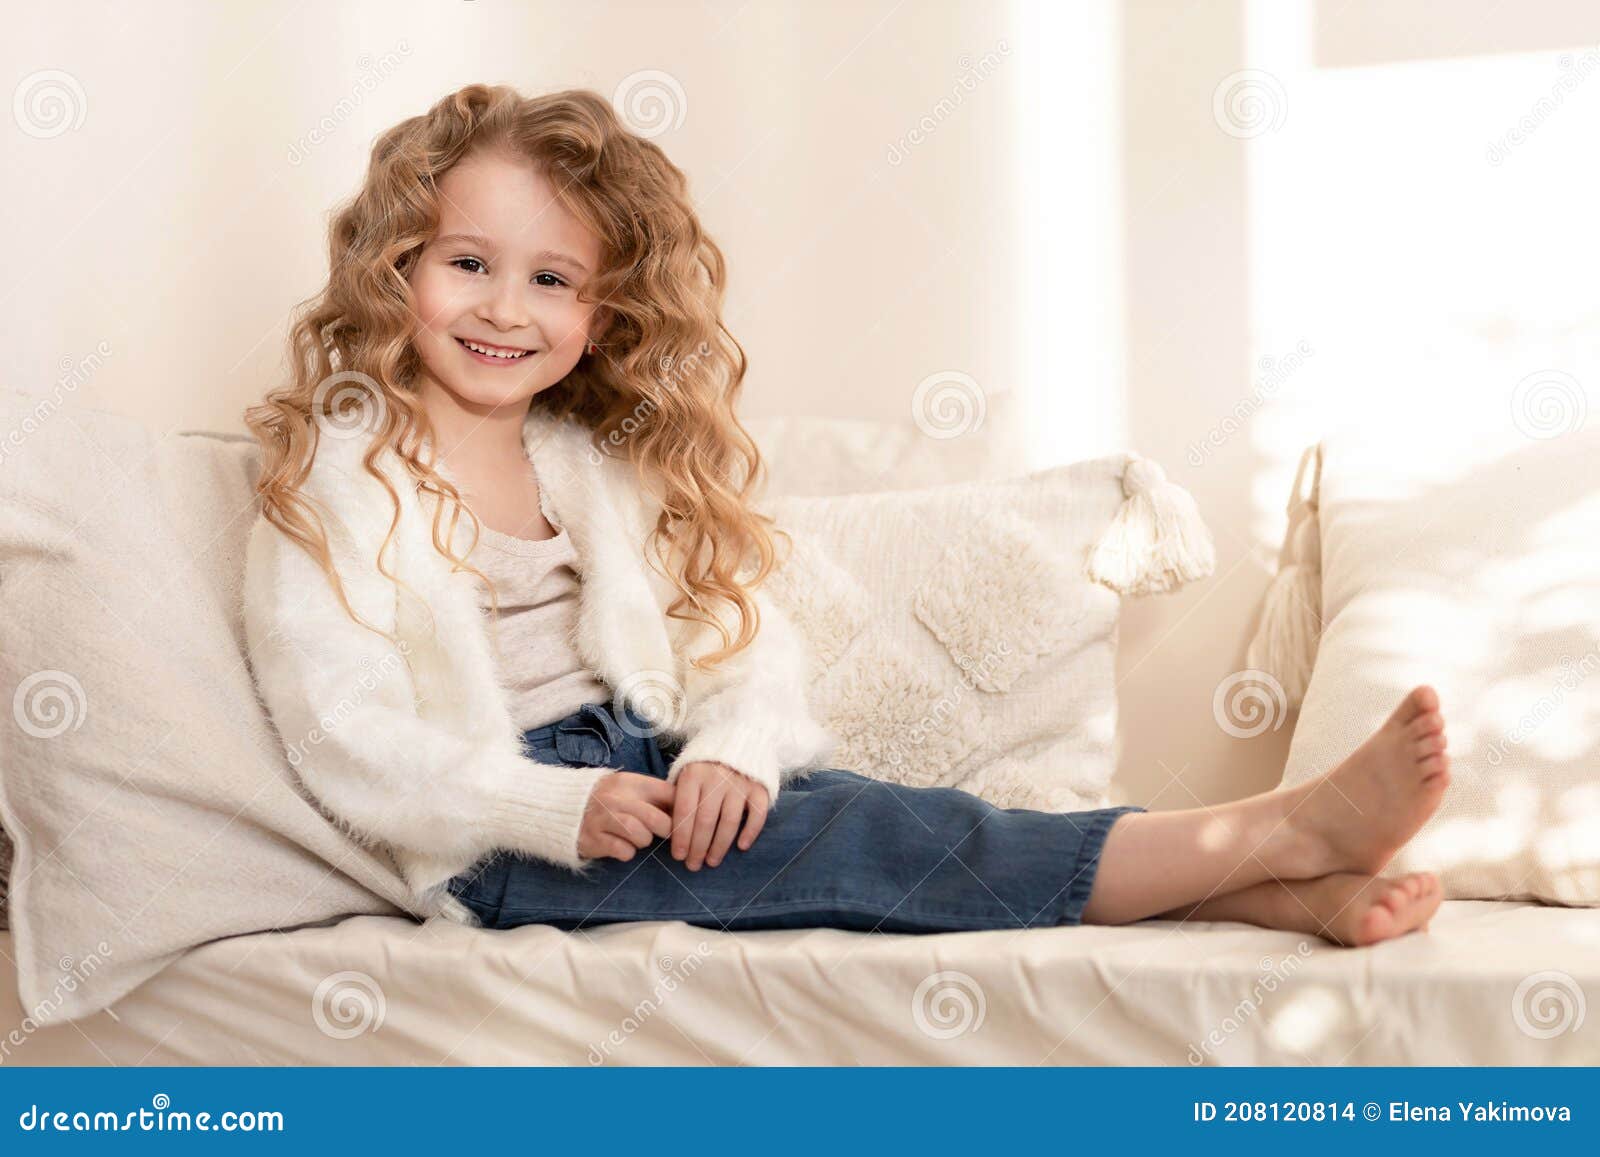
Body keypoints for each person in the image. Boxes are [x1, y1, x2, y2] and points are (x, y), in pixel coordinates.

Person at [242, 83, 1451, 952]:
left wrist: (730, 746)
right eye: (467, 262)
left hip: (651, 763)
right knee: (869, 839)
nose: (506, 307)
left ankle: (1274, 896)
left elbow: (737, 638)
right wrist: (551, 806)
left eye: (551, 278)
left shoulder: (590, 460)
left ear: (601, 316)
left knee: (882, 821)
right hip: (510, 838)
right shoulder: (336, 477)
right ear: (397, 266)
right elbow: (347, 733)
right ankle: (1267, 828)